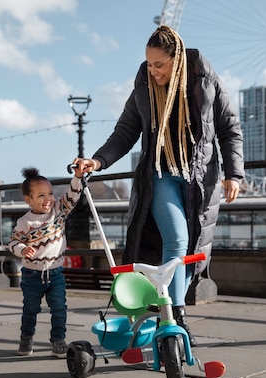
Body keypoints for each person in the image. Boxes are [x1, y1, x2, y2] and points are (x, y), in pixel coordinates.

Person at [75, 25, 244, 346]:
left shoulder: (205, 80)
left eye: (159, 65)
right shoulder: (143, 85)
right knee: (177, 241)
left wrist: (234, 174)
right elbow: (125, 131)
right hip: (160, 175)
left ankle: (171, 318)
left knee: (190, 247)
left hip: (199, 179)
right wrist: (96, 161)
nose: (153, 72)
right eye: (149, 64)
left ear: (177, 60)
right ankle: (176, 319)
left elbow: (229, 128)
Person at [8, 165, 84, 358]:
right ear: (28, 200)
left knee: (59, 308)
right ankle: (26, 338)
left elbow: (72, 195)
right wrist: (23, 249)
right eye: (41, 196)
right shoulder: (25, 222)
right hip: (32, 275)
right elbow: (13, 242)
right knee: (30, 309)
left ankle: (58, 340)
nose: (48, 199)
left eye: (50, 193)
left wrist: (77, 177)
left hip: (55, 273)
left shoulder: (59, 211)